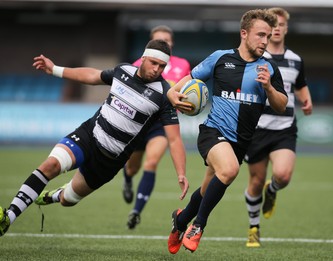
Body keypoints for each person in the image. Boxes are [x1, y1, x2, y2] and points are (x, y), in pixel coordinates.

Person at [0, 39, 189, 237]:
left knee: (68, 200)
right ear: (143, 58)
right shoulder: (122, 71)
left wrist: (181, 173)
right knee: (51, 166)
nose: (157, 69)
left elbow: (174, 139)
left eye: (162, 66)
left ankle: (55, 195)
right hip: (89, 135)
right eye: (154, 63)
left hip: (109, 161)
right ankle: (9, 216)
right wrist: (54, 69)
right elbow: (92, 75)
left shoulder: (165, 95)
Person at [166, 9, 288, 254]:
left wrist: (269, 89)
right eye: (260, 35)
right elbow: (183, 83)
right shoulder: (220, 58)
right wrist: (171, 94)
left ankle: (180, 221)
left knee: (206, 189)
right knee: (229, 169)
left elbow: (282, 105)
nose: (265, 41)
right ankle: (198, 225)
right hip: (213, 131)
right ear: (244, 33)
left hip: (241, 141)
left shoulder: (269, 68)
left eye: (268, 36)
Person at [243, 7, 313, 248]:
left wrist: (307, 99)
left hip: (285, 127)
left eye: (281, 24)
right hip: (258, 128)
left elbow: (300, 84)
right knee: (255, 181)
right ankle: (254, 227)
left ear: (285, 28)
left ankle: (272, 190)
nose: (277, 29)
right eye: (274, 25)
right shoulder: (256, 58)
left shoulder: (296, 60)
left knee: (282, 175)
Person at [123, 25, 191, 230]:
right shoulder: (139, 64)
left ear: (172, 44)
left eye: (167, 41)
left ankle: (136, 211)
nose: (164, 43)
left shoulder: (182, 65)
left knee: (151, 162)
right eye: (159, 40)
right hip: (139, 123)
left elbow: (187, 89)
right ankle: (127, 179)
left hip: (163, 124)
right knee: (132, 168)